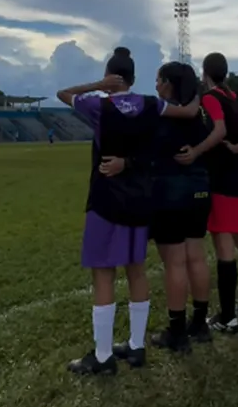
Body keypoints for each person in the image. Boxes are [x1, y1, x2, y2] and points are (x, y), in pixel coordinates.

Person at [56, 47, 199, 376]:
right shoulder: (152, 104)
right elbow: (188, 111)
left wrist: (98, 84)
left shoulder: (98, 104)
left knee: (103, 274)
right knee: (136, 270)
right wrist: (198, 91)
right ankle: (136, 347)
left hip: (106, 199)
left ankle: (104, 356)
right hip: (140, 199)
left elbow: (62, 93)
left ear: (111, 77)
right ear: (134, 78)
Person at [180, 52, 238, 334]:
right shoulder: (235, 97)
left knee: (225, 247)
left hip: (223, 180)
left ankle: (228, 316)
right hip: (237, 177)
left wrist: (198, 151)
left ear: (205, 73)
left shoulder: (212, 98)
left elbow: (220, 130)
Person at [144, 62, 214, 352]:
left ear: (170, 83)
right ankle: (199, 323)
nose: (156, 85)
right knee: (196, 256)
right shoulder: (200, 113)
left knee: (174, 261)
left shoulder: (161, 113)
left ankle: (176, 331)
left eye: (159, 80)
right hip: (199, 189)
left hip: (170, 192)